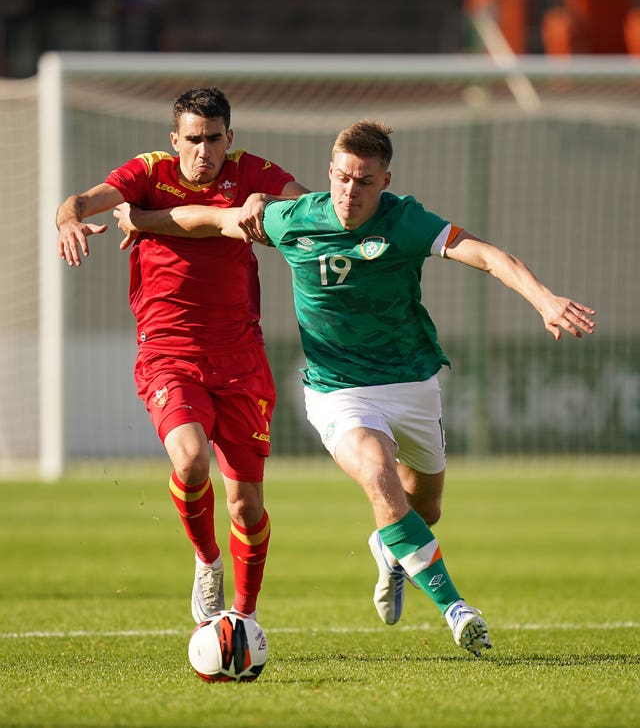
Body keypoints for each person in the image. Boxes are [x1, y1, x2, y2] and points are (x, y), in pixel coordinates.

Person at [113, 119, 596, 657]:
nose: (350, 190)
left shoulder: (407, 221)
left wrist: (544, 299)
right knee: (376, 474)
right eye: (343, 177)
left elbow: (485, 254)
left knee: (424, 510)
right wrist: (141, 218)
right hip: (338, 390)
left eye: (365, 181)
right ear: (329, 173)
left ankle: (390, 549)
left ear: (385, 180)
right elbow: (204, 218)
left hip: (412, 382)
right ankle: (457, 610)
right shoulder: (294, 217)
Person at [56, 87, 309, 624]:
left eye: (213, 139)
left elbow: (306, 201)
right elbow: (78, 201)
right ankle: (207, 558)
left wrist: (270, 202)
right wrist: (68, 222)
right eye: (192, 140)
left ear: (229, 139)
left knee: (247, 505)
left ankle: (243, 618)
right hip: (169, 351)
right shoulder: (147, 173)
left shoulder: (250, 171)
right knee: (191, 460)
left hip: (241, 357)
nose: (203, 151)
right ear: (175, 141)